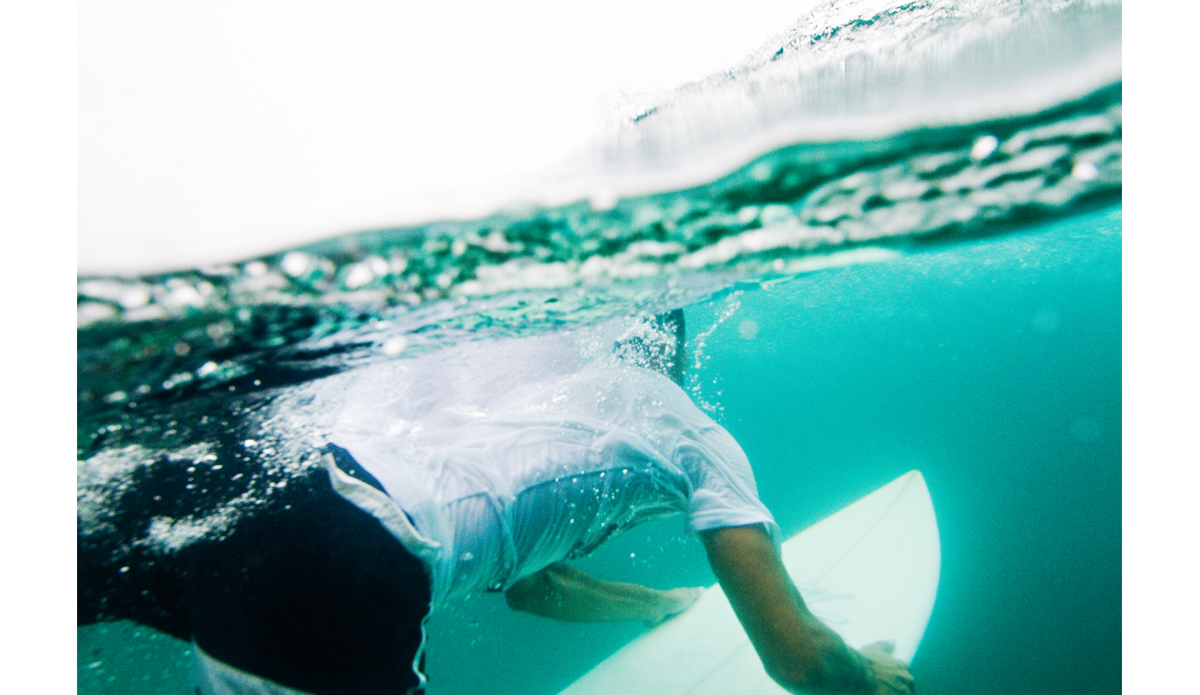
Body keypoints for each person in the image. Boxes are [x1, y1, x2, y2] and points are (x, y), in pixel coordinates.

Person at [78, 312, 915, 695]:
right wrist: (866, 681)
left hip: (241, 483)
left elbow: (531, 583)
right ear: (670, 348)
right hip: (337, 563)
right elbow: (796, 659)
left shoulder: (498, 394)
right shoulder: (689, 431)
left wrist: (657, 605)